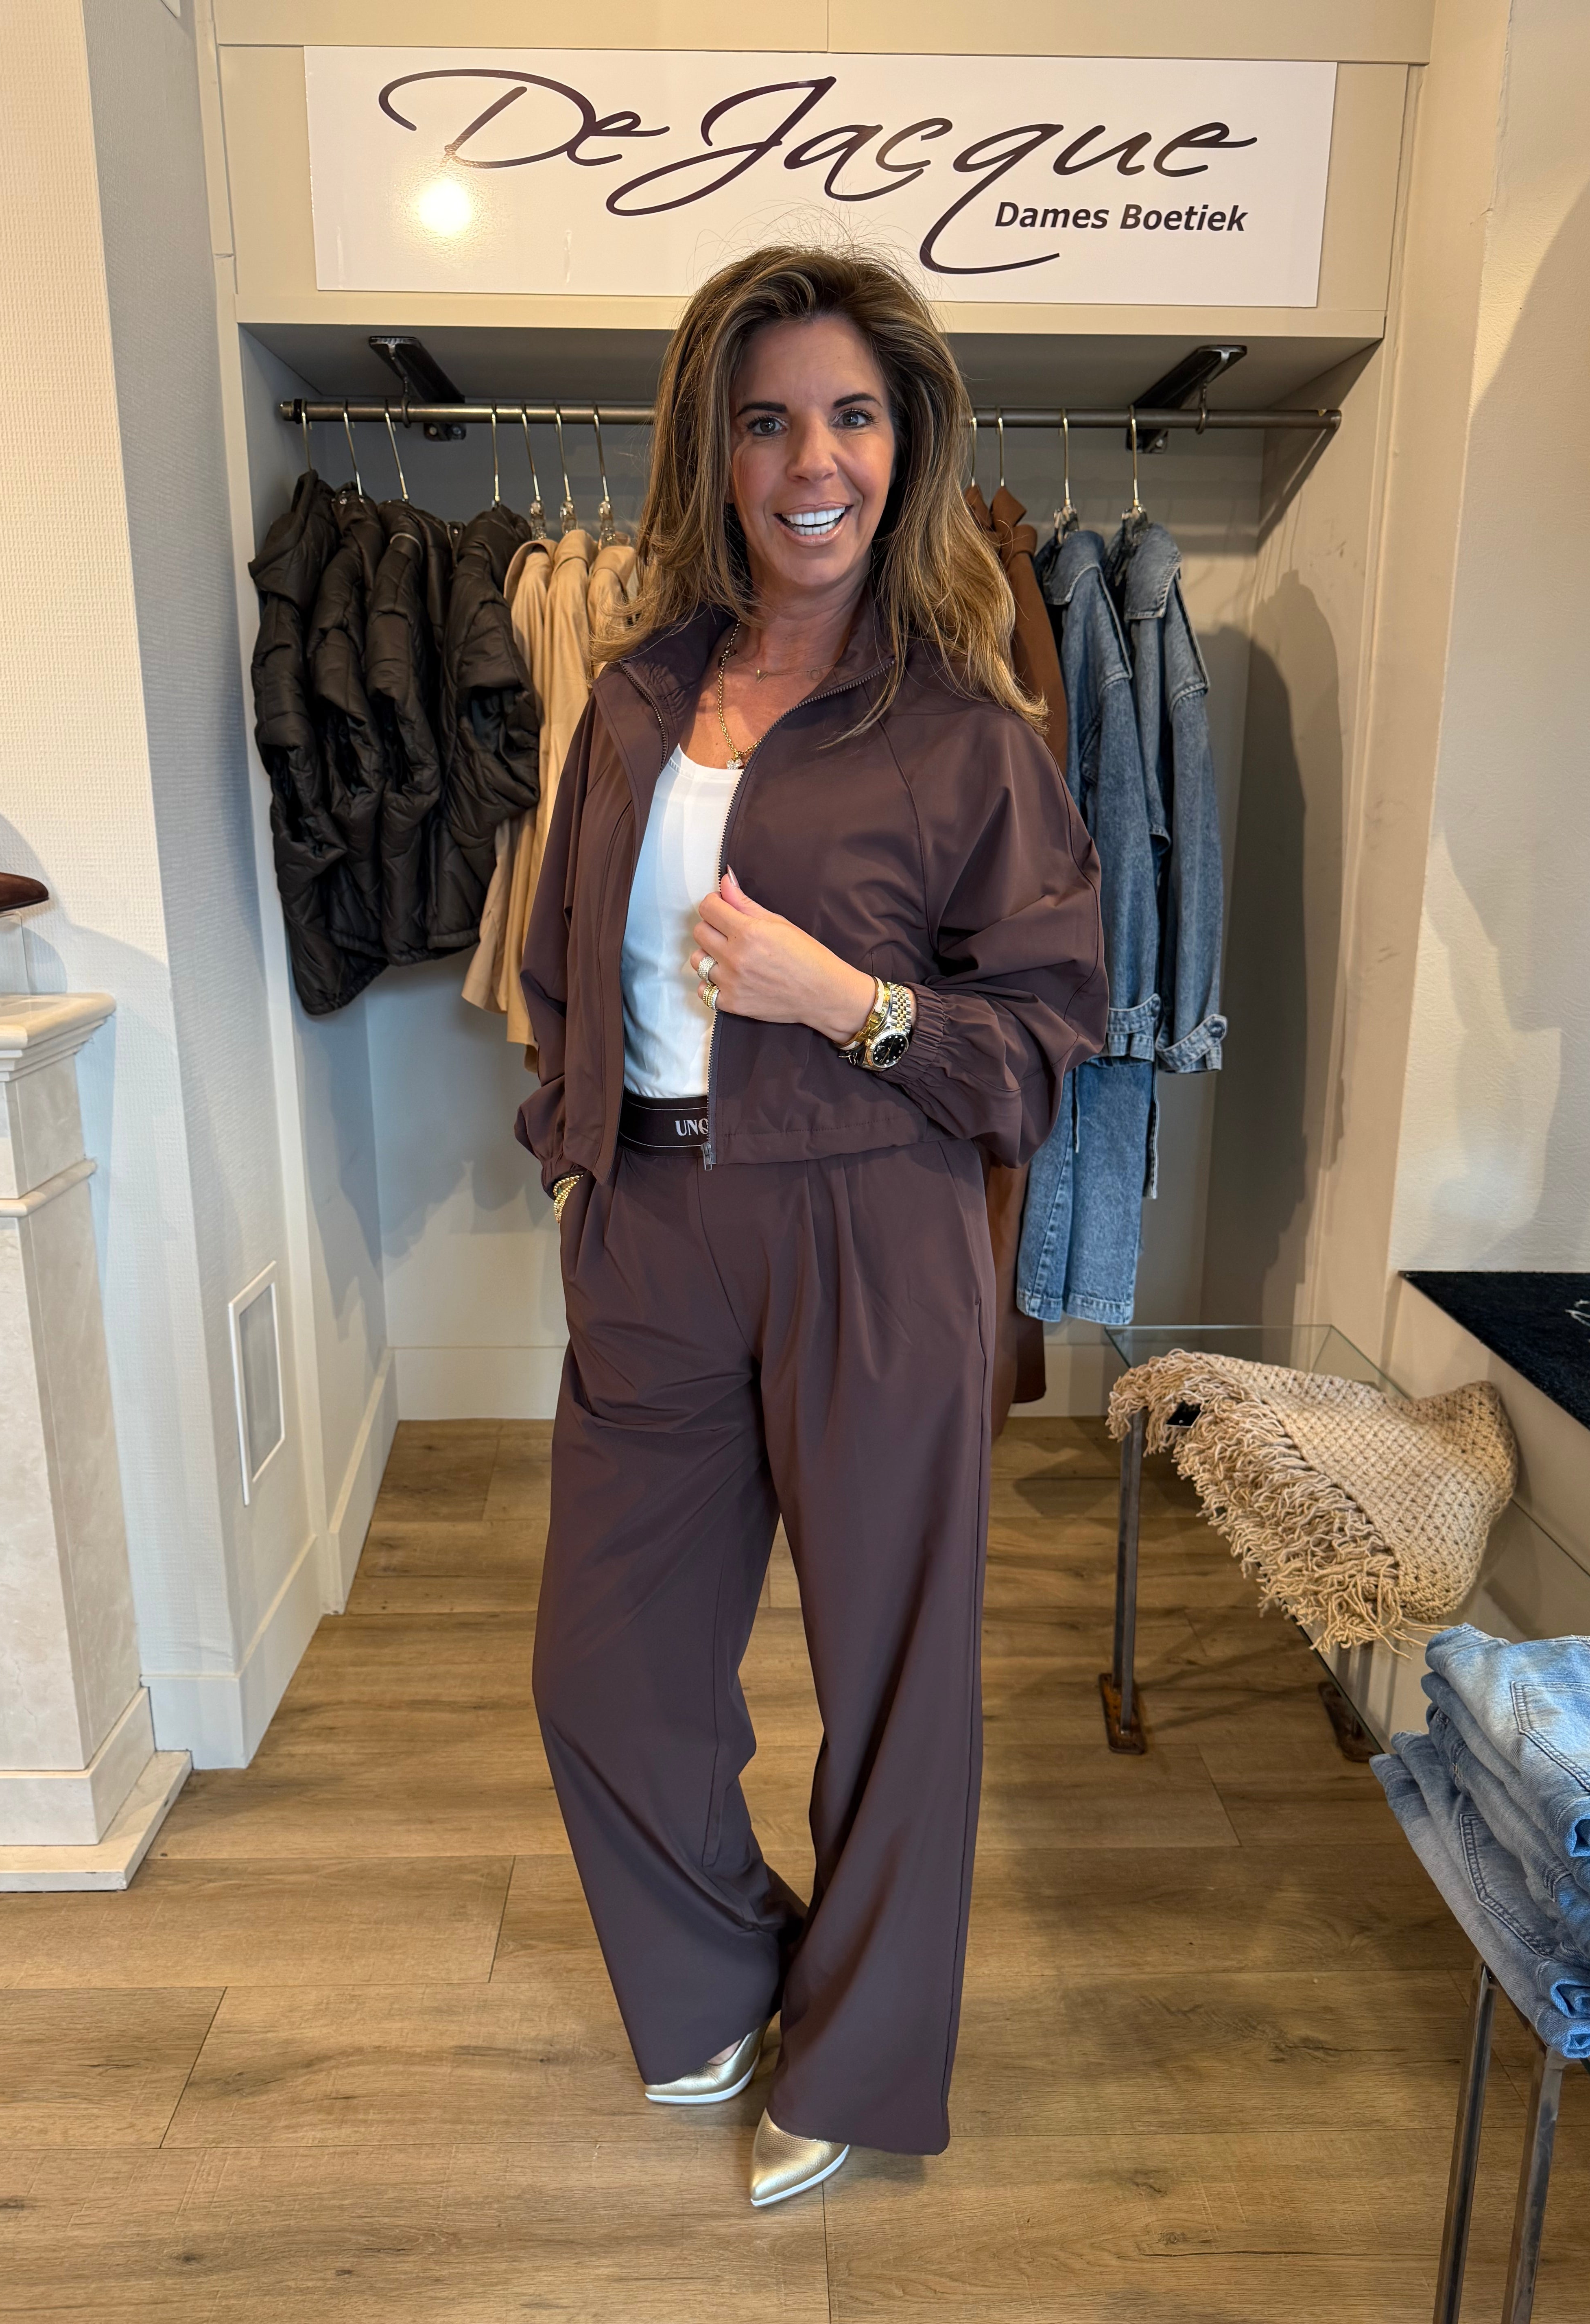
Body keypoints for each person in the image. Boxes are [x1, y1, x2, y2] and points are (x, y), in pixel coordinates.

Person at [516, 245, 1106, 2206]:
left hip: (875, 1229)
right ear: (714, 449)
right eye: (767, 421)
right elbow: (560, 962)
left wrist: (846, 1002)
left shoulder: (967, 732)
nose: (812, 461)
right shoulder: (632, 702)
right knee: (604, 1671)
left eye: (851, 416)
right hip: (653, 1225)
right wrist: (572, 1147)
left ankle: (855, 2052)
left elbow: (1041, 1048)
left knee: (894, 1677)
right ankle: (721, 1973)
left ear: (905, 444)